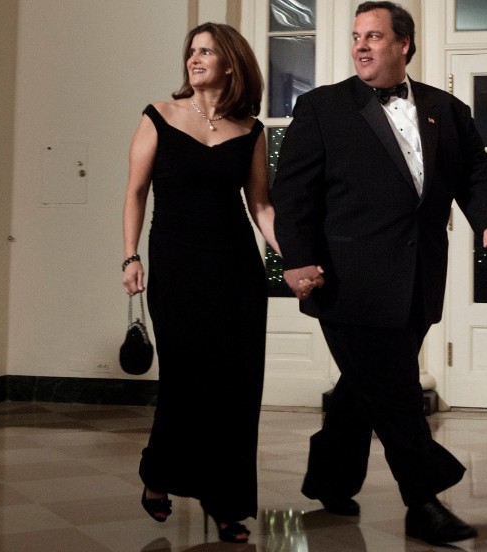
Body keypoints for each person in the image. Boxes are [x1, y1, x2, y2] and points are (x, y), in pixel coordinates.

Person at [269, 2, 487, 545]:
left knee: (367, 385)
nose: (360, 45)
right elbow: (292, 194)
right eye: (357, 36)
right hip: (344, 279)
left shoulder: (446, 110)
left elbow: (476, 172)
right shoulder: (320, 108)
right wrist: (296, 258)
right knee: (395, 388)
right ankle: (423, 499)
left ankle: (330, 478)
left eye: (373, 36)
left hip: (418, 277)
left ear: (404, 44)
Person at [121, 22, 277, 544]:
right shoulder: (158, 116)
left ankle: (228, 503)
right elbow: (135, 192)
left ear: (230, 63)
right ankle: (159, 473)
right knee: (186, 377)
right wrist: (130, 257)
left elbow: (260, 206)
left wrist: (294, 256)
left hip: (236, 270)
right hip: (177, 264)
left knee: (236, 385)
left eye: (206, 51)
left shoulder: (251, 130)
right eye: (191, 51)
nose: (194, 58)